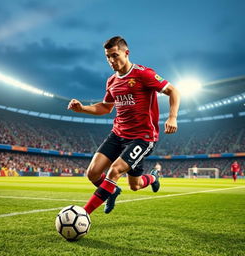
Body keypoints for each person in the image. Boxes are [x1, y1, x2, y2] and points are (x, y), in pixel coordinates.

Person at [68, 36, 180, 215]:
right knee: (94, 174)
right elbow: (105, 107)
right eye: (107, 57)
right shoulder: (112, 81)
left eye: (115, 55)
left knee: (119, 174)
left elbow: (173, 90)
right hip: (118, 134)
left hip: (142, 137)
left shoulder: (144, 74)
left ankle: (83, 214)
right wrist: (82, 108)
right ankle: (114, 190)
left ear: (126, 53)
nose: (111, 61)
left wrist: (172, 117)